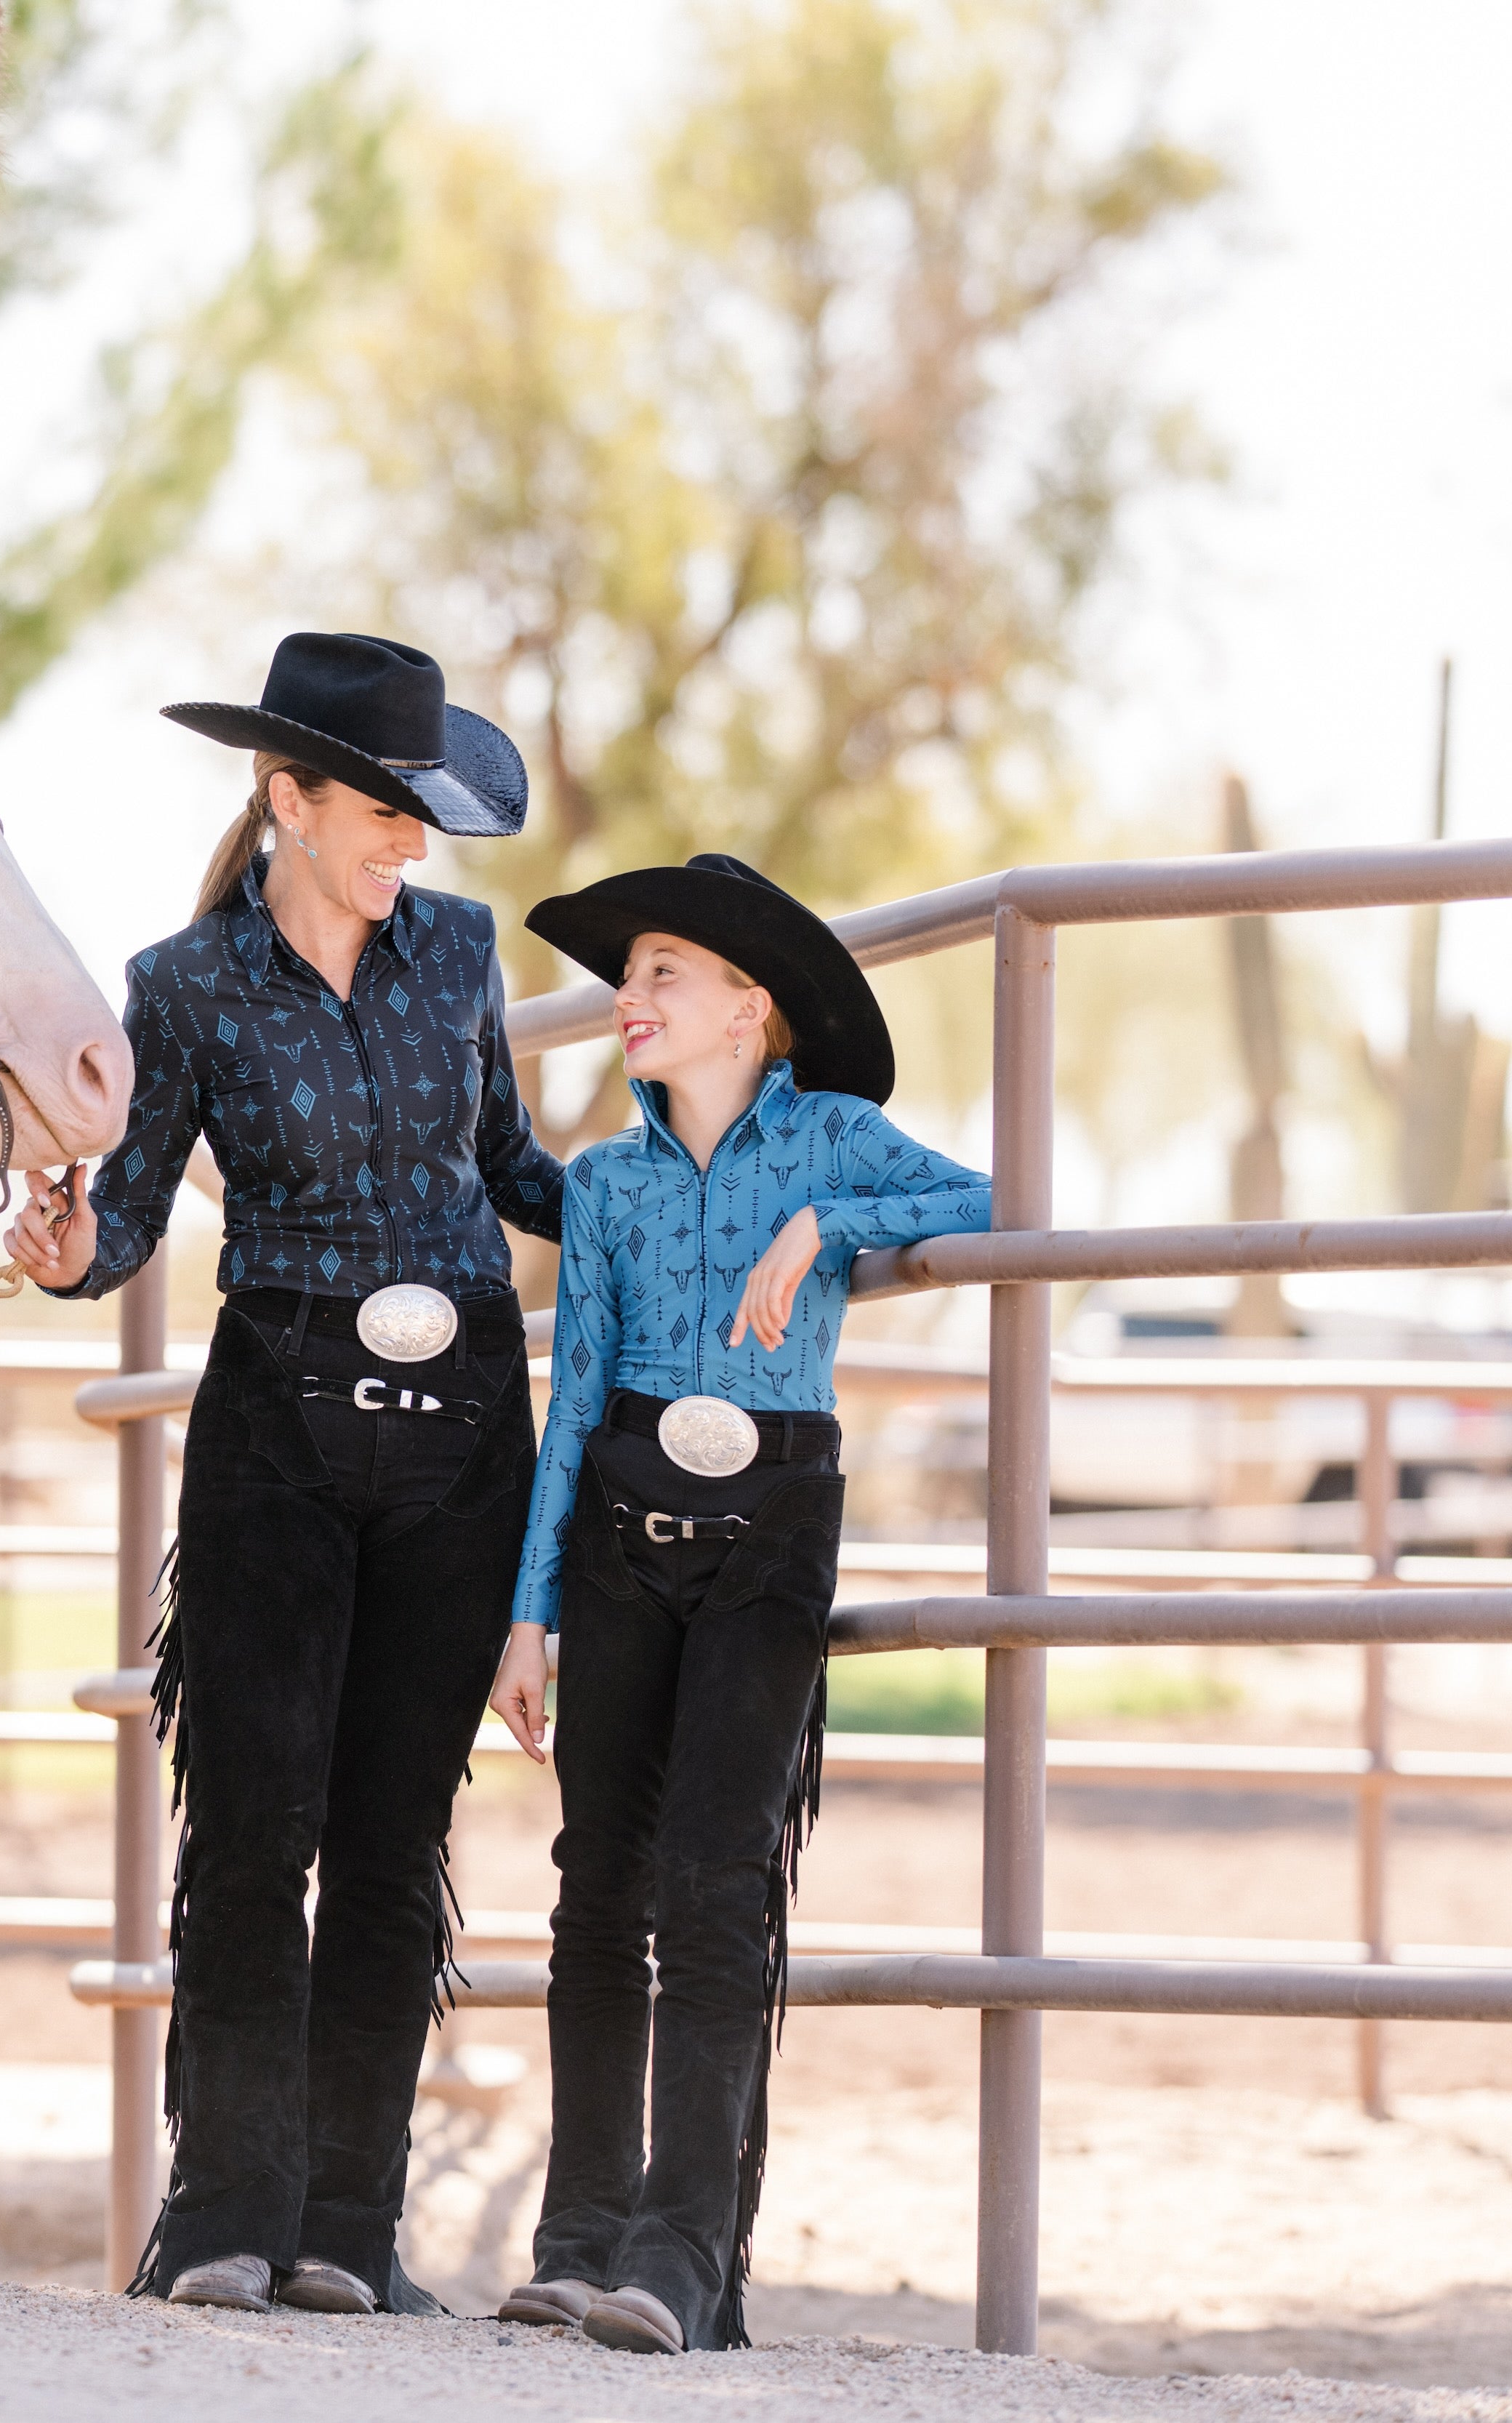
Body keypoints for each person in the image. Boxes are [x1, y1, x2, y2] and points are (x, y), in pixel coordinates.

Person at [9, 631, 564, 2318]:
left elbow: (512, 1168)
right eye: (385, 812)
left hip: (464, 1427)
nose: (414, 844)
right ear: (288, 798)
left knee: (395, 1840)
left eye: (421, 817)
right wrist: (58, 1246)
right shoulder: (179, 984)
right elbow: (126, 1212)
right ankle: (220, 2215)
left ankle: (348, 2229)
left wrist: (689, 1199)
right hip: (276, 1424)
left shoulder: (459, 952)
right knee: (247, 1826)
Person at [484, 856, 991, 2356]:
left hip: (771, 1527)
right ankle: (577, 2234)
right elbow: (570, 1395)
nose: (625, 999)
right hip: (619, 1531)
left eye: (659, 973)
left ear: (746, 1007)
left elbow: (988, 1195)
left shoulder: (829, 1137)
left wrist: (824, 1223)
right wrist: (530, 1610)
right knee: (597, 1881)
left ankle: (682, 2253)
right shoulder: (605, 1183)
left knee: (716, 1876)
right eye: (625, 975)